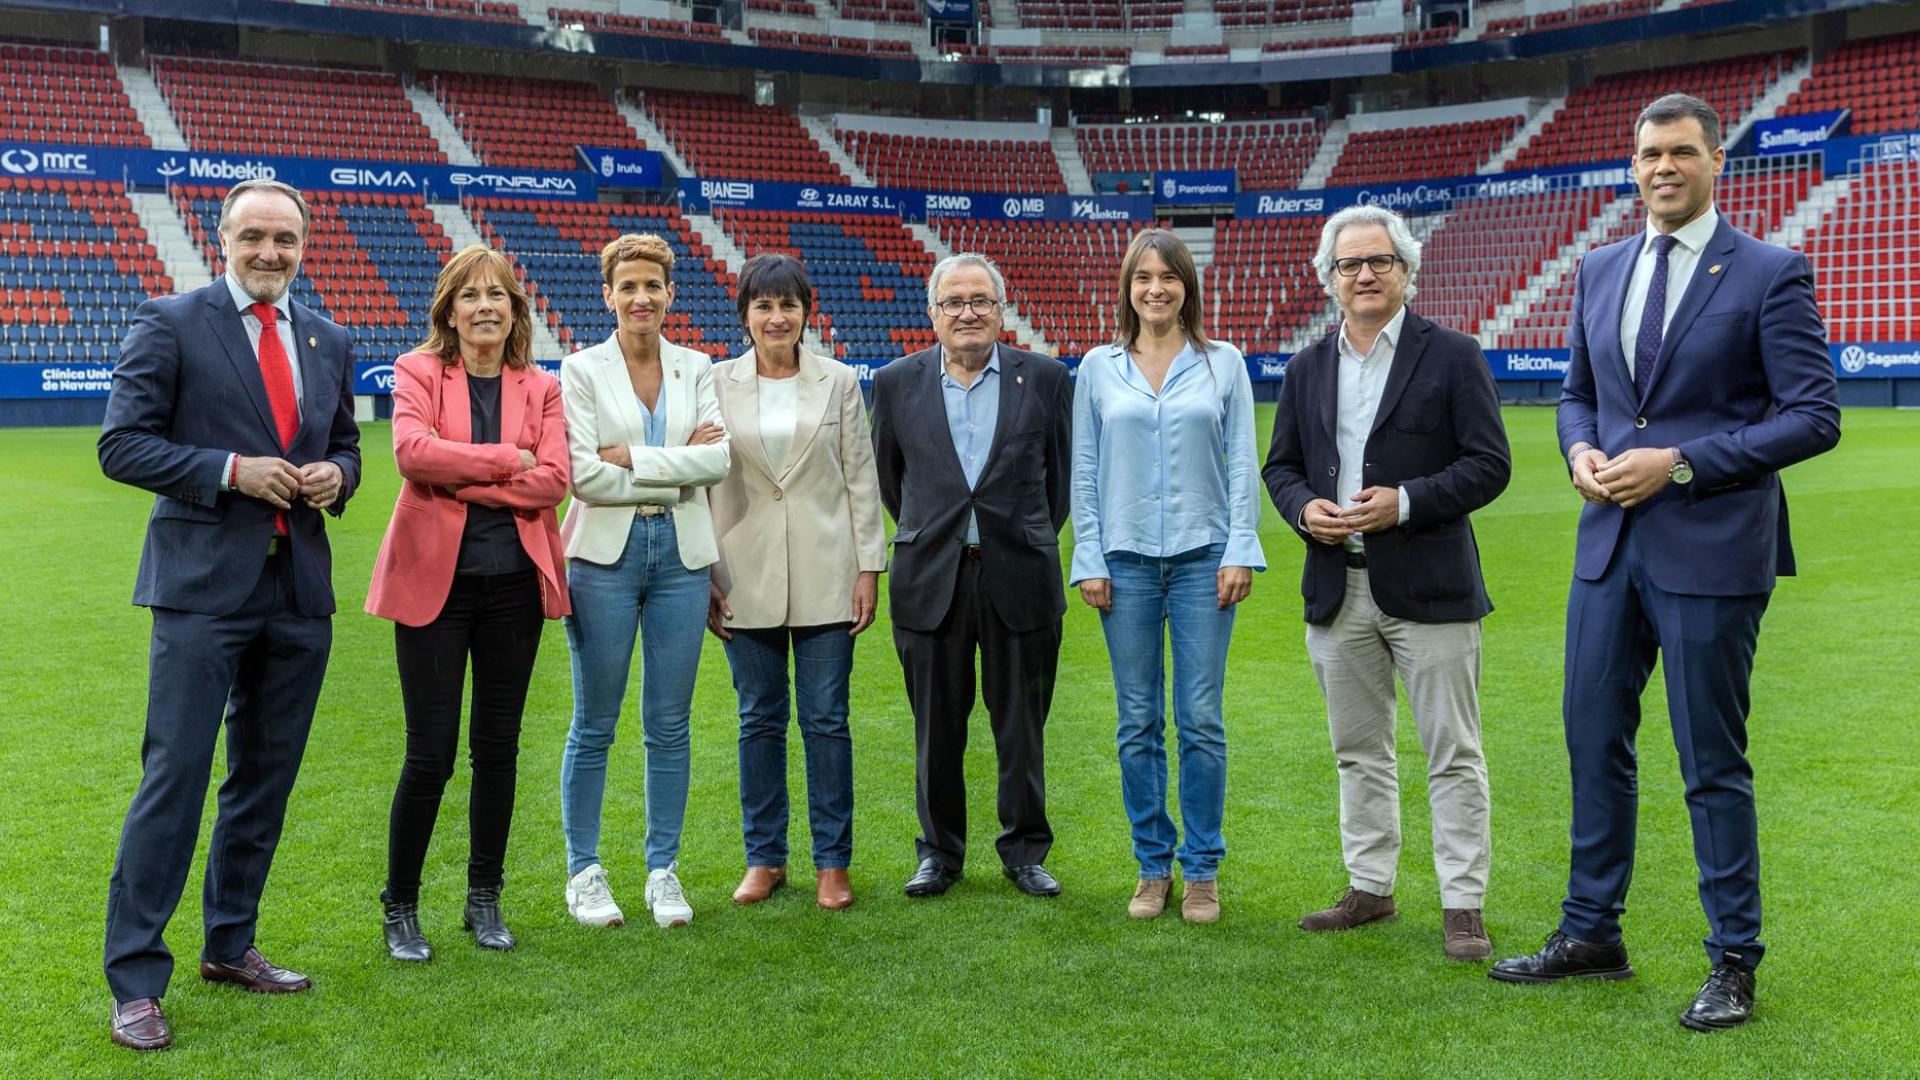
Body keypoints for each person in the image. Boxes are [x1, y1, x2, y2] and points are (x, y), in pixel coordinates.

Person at [1491, 94, 1840, 1031]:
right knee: (1591, 741)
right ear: (1633, 164)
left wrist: (1680, 463)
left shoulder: (1771, 271)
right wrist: (1579, 452)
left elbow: (1814, 418)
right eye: (1649, 154)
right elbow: (1577, 396)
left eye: (1682, 151)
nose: (1663, 168)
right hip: (1608, 549)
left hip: (1714, 551)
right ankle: (1591, 934)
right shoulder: (1601, 269)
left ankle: (1734, 959)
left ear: (1716, 160)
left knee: (1708, 760)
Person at [97, 178, 361, 1051]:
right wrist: (228, 470)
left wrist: (338, 478)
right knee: (174, 775)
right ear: (224, 238)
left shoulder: (328, 338)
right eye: (255, 237)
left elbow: (349, 448)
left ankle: (230, 944)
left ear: (304, 246)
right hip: (202, 589)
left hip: (297, 592)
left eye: (285, 239)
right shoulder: (169, 322)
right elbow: (121, 443)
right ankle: (136, 980)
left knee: (264, 778)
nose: (270, 253)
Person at [1262, 204, 1512, 960]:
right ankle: (1370, 887)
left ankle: (1463, 903)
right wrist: (1305, 510)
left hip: (1430, 587)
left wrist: (1405, 502)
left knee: (1453, 751)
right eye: (1349, 265)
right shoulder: (1308, 366)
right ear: (1329, 279)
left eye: (1379, 261)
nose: (1364, 275)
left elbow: (1489, 464)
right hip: (1339, 587)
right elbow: (1282, 468)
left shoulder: (1454, 354)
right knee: (1357, 749)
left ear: (1406, 269)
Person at [364, 245, 571, 961]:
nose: (485, 306)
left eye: (499, 295)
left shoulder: (541, 386)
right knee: (430, 755)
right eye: (470, 295)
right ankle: (401, 905)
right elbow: (413, 456)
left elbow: (553, 483)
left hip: (513, 586)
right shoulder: (418, 371)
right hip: (434, 587)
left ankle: (484, 898)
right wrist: (505, 461)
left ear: (516, 309)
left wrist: (465, 472)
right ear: (448, 311)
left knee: (498, 750)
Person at [1069, 229, 1264, 924]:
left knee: (1201, 718)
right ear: (1127, 287)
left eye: (1168, 277)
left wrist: (1240, 547)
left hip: (1202, 558)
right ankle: (1152, 866)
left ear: (1188, 286)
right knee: (1137, 719)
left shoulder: (1224, 364)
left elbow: (1243, 461)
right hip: (1121, 563)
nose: (1156, 288)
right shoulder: (1097, 367)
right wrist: (1088, 555)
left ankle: (1203, 869)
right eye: (1143, 277)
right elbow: (1083, 472)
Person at [870, 252, 1073, 901]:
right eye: (954, 302)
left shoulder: (1042, 377)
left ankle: (1024, 851)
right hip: (931, 579)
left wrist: (1015, 534)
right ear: (933, 313)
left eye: (980, 301)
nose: (967, 313)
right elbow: (890, 481)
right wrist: (944, 533)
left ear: (1000, 309)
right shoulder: (897, 381)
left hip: (1021, 575)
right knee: (937, 727)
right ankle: (940, 853)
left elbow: (1059, 483)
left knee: (1022, 727)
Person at [557, 233, 730, 930]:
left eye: (652, 286)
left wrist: (632, 456)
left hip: (684, 558)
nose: (640, 298)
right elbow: (582, 474)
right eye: (627, 286)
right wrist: (671, 463)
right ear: (608, 294)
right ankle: (584, 871)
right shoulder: (580, 369)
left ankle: (663, 870)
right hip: (602, 556)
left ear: (670, 293)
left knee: (669, 724)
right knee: (594, 722)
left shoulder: (697, 366)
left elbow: (718, 461)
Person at [706, 253, 888, 911]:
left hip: (828, 571)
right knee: (758, 719)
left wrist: (870, 566)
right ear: (745, 315)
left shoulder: (839, 382)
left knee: (826, 719)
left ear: (805, 312)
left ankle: (832, 863)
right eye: (763, 305)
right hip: (742, 571)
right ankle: (765, 857)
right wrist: (704, 570)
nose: (776, 317)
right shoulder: (716, 383)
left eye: (787, 305)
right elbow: (701, 482)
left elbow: (861, 479)